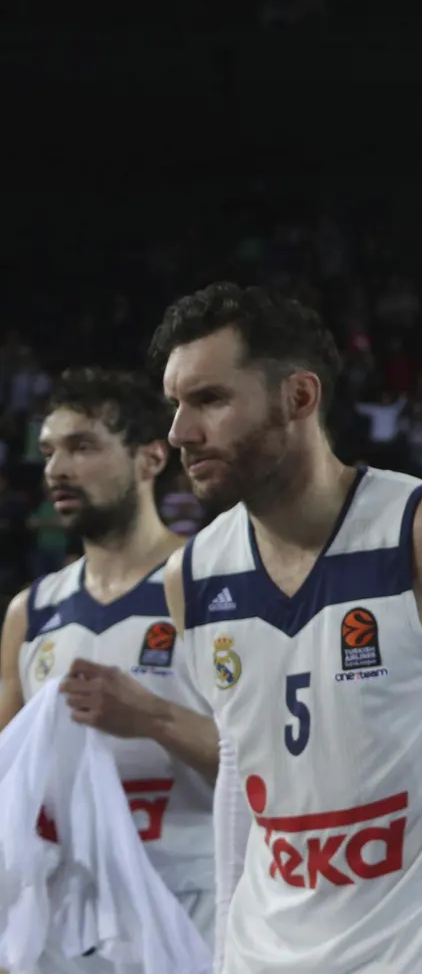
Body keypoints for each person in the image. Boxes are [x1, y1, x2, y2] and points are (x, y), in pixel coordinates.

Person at [149, 284, 422, 974]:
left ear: (299, 397)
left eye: (208, 399)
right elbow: (242, 772)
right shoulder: (193, 578)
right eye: (176, 403)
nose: (180, 430)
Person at [0, 368, 220, 959]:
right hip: (69, 913)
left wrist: (152, 717)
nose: (56, 470)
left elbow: (276, 771)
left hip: (197, 900)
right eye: (49, 451)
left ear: (151, 458)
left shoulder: (216, 584)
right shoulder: (31, 613)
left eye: (82, 446)